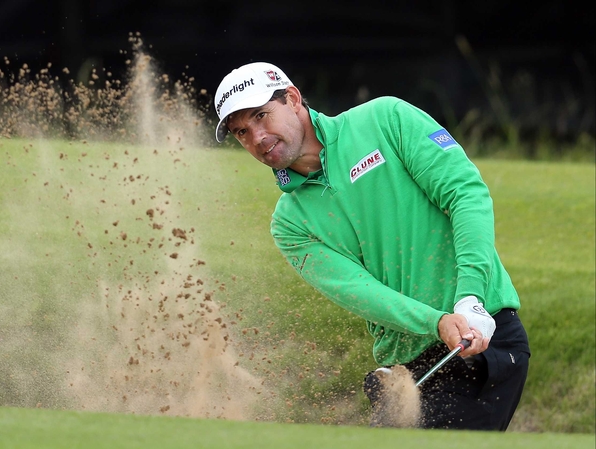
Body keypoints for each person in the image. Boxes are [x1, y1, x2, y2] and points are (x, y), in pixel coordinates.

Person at [213, 61, 530, 430]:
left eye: (262, 115)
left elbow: (465, 194)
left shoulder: (385, 118)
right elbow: (360, 292)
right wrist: (436, 321)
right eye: (241, 132)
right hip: (406, 368)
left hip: (481, 336)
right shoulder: (289, 224)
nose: (257, 137)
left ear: (293, 99)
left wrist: (470, 297)